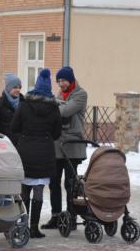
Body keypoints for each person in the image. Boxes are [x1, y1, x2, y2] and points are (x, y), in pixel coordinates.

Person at [11, 69, 61, 238]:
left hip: (25, 150)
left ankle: (23, 225)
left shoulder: (24, 104)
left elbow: (14, 127)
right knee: (38, 190)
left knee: (25, 190)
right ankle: (34, 227)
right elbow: (57, 133)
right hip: (45, 151)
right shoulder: (54, 107)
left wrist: (23, 139)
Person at [42, 67, 88, 230]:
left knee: (71, 184)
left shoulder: (81, 94)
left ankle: (71, 217)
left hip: (72, 146)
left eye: (63, 81)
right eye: (59, 81)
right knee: (54, 183)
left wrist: (56, 105)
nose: (61, 84)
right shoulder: (60, 95)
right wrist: (57, 104)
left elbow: (65, 111)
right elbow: (55, 111)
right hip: (57, 146)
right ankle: (56, 216)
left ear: (71, 80)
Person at [0, 73, 23, 141]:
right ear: (8, 88)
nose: (18, 90)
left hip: (20, 144)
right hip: (3, 144)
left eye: (19, 87)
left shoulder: (24, 103)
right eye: (15, 87)